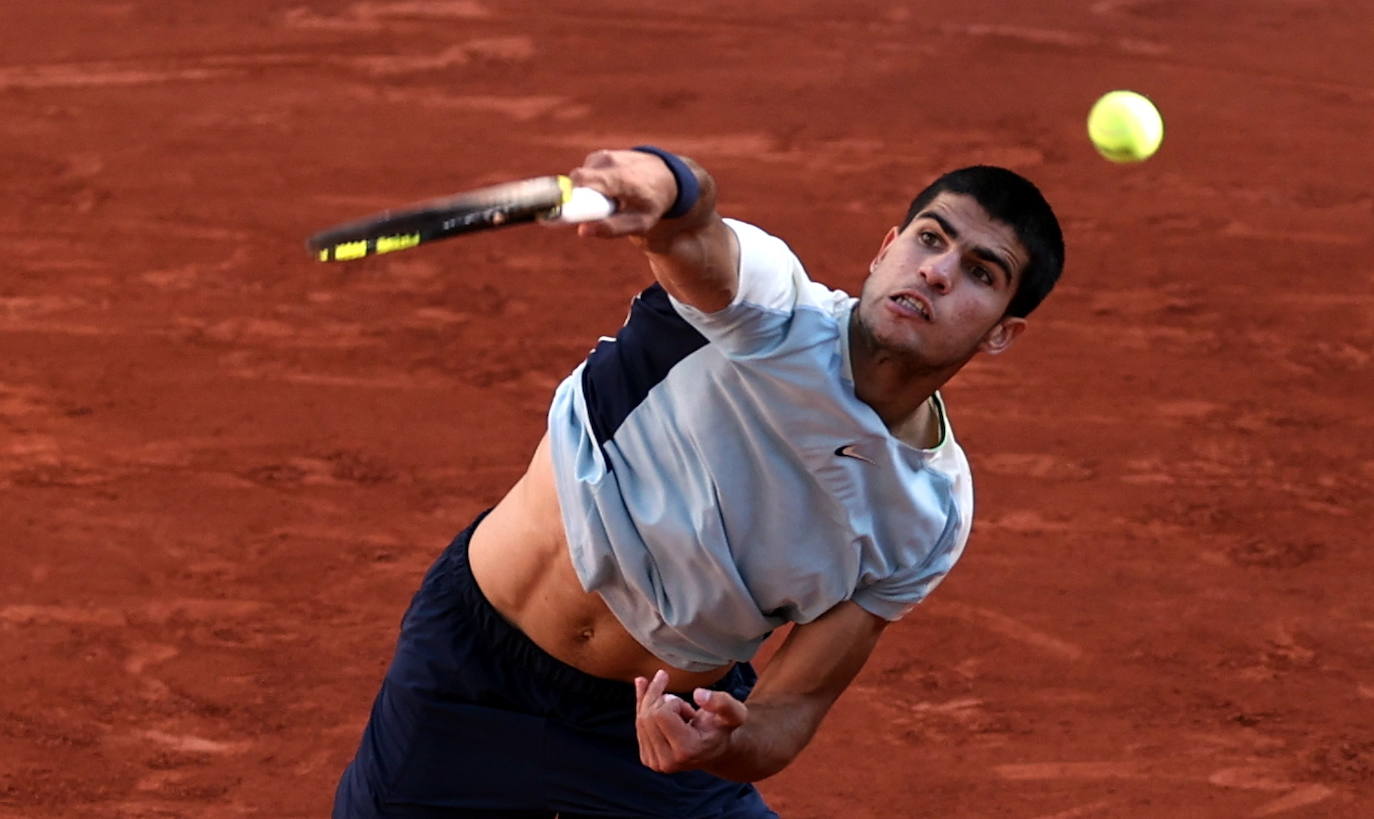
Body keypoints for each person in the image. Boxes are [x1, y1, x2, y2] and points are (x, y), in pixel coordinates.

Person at [333, 146, 1065, 818]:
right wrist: (662, 183)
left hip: (651, 739)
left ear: (1002, 330)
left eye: (981, 271)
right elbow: (691, 227)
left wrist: (717, 745)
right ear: (885, 249)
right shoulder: (773, 310)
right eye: (929, 239)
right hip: (469, 678)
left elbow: (791, 709)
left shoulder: (929, 515)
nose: (936, 271)